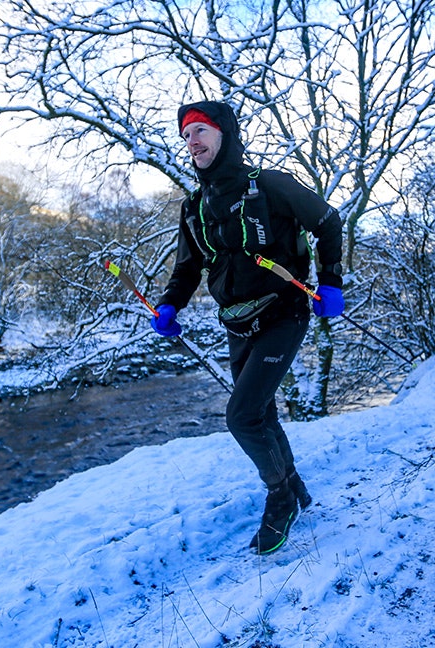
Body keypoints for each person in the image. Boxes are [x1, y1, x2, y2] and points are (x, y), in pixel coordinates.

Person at [150, 100, 345, 555]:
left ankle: (279, 499)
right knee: (262, 414)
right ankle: (293, 485)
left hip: (284, 311)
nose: (191, 142)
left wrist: (331, 282)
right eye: (185, 136)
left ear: (224, 135)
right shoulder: (194, 207)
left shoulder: (270, 185)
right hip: (236, 321)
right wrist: (168, 306)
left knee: (240, 417)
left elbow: (328, 221)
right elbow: (187, 269)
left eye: (200, 131)